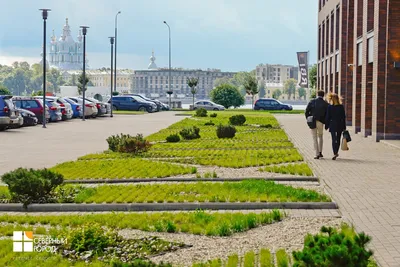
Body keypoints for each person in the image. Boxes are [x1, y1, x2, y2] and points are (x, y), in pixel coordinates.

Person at [305, 90, 329, 159]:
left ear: (317, 94)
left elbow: (306, 111)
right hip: (321, 122)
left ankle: (316, 153)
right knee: (320, 137)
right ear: (323, 95)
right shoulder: (325, 103)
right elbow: (327, 114)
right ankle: (321, 152)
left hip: (312, 121)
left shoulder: (312, 101)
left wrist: (308, 119)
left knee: (314, 137)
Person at [325, 93, 346, 160]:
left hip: (332, 124)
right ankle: (336, 151)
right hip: (340, 124)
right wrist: (344, 127)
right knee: (338, 138)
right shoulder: (341, 107)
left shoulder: (330, 107)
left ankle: (335, 153)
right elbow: (343, 117)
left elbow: (328, 117)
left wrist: (326, 126)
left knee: (334, 139)